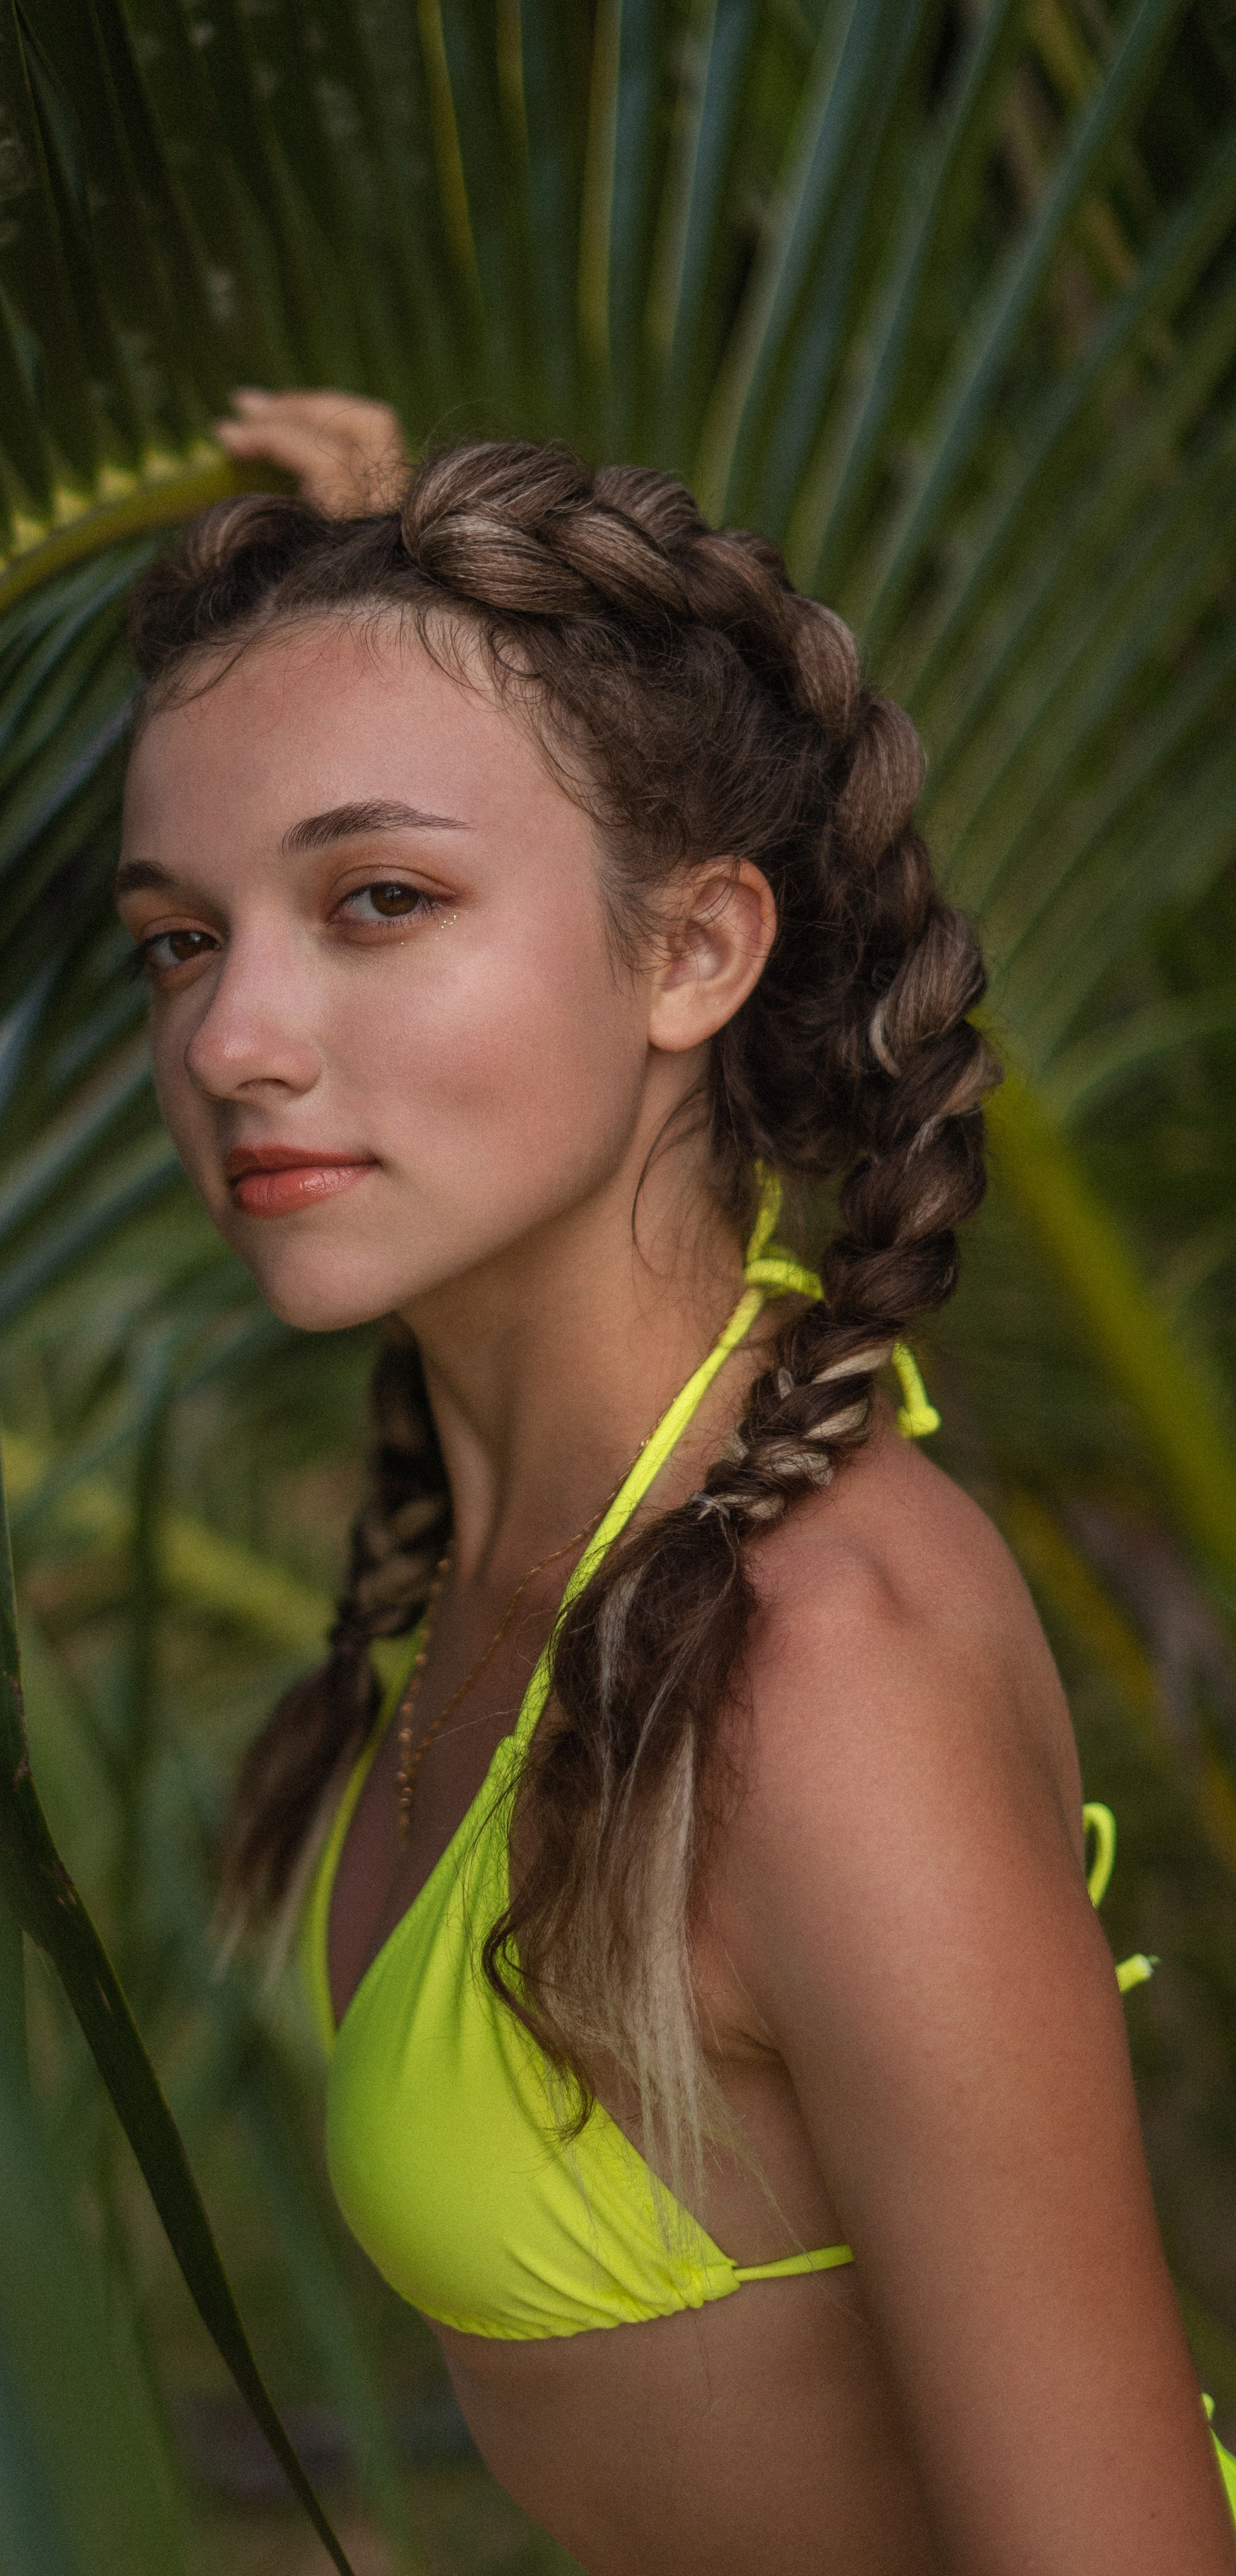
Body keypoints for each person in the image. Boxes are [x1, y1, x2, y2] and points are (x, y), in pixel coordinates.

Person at [117, 388, 1236, 2574]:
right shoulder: (549, 1551)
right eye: (180, 933)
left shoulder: (821, 1682)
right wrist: (373, 559)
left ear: (697, 954)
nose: (232, 1038)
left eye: (377, 900)